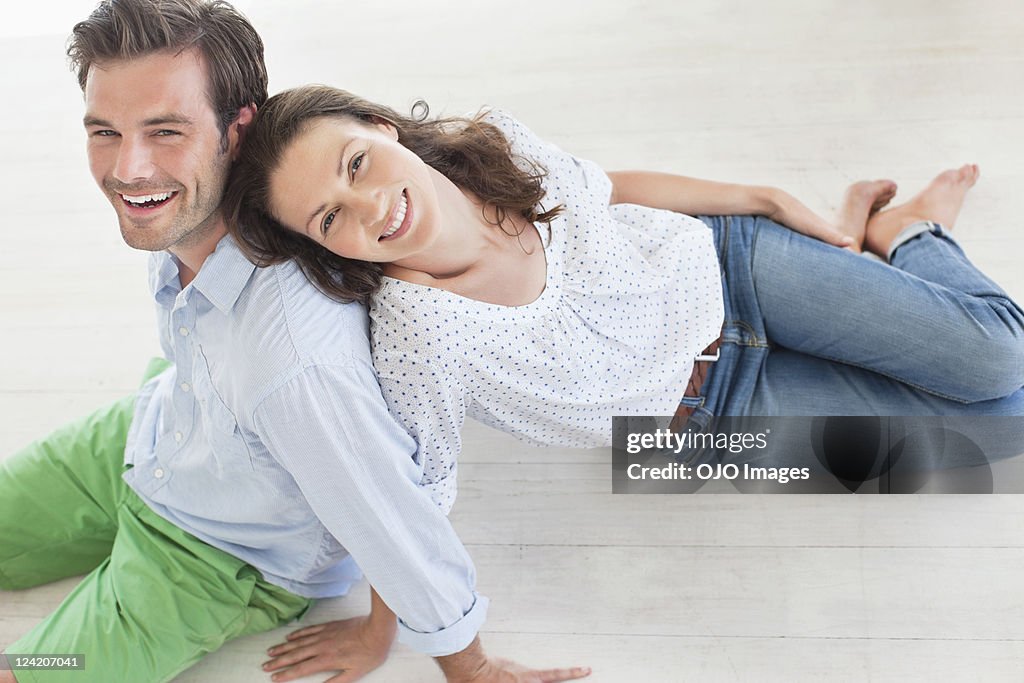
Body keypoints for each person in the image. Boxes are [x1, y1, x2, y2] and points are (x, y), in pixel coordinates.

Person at [0, 2, 590, 683]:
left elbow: (389, 515)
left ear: (236, 129)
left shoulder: (292, 361)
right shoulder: (184, 211)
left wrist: (466, 662)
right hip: (156, 433)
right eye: (106, 131)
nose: (128, 168)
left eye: (165, 131)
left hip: (215, 557)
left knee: (32, 671)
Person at [225, 86, 1024, 476]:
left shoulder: (493, 147)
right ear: (325, 248)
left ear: (381, 128)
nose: (368, 206)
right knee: (1003, 426)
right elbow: (417, 479)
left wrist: (764, 197)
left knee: (1001, 363)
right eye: (329, 219)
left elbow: (604, 188)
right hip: (693, 427)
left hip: (730, 268)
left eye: (356, 163)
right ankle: (888, 239)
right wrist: (409, 631)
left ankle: (909, 234)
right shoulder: (417, 330)